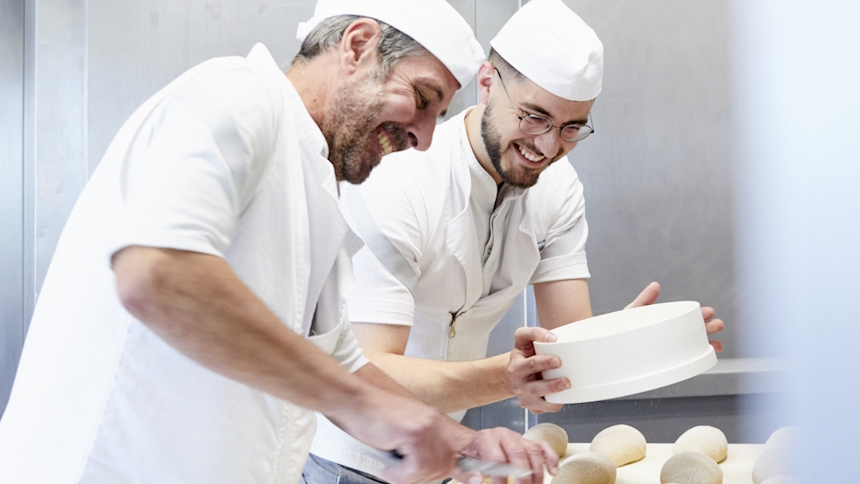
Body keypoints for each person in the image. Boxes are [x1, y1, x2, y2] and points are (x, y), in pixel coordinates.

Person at [0, 1, 559, 483]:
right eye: (422, 97)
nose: (424, 136)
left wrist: (464, 446)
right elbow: (158, 273)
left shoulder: (316, 185)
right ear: (358, 45)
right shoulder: (237, 95)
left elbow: (336, 360)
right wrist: (359, 402)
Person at [305, 0, 726, 481]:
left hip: (450, 458)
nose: (548, 147)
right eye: (533, 116)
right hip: (350, 459)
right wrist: (508, 377)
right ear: (486, 84)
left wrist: (624, 345)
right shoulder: (399, 178)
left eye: (571, 127)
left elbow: (566, 349)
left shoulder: (559, 187)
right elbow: (366, 366)